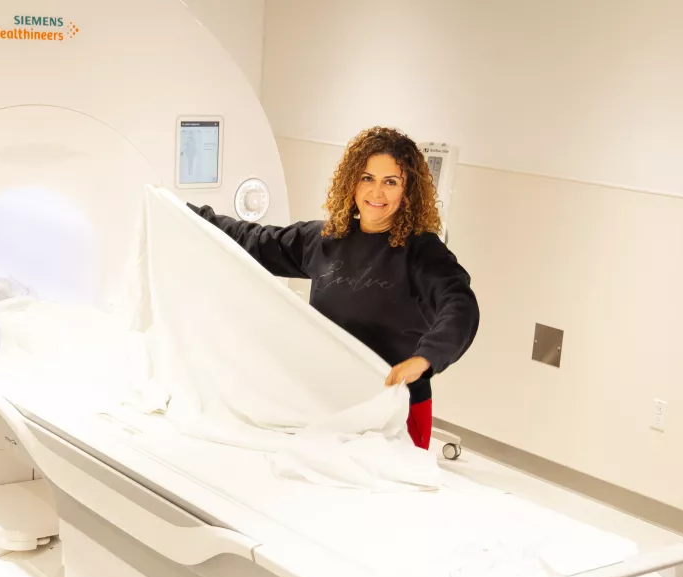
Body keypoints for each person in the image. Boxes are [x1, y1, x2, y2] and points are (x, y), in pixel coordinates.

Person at [187, 126, 479, 450]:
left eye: (390, 182)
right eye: (367, 178)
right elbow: (253, 240)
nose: (376, 192)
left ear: (407, 191)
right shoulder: (326, 239)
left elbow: (460, 305)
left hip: (394, 409)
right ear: (351, 182)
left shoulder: (423, 253)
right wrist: (189, 214)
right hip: (330, 401)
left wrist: (425, 358)